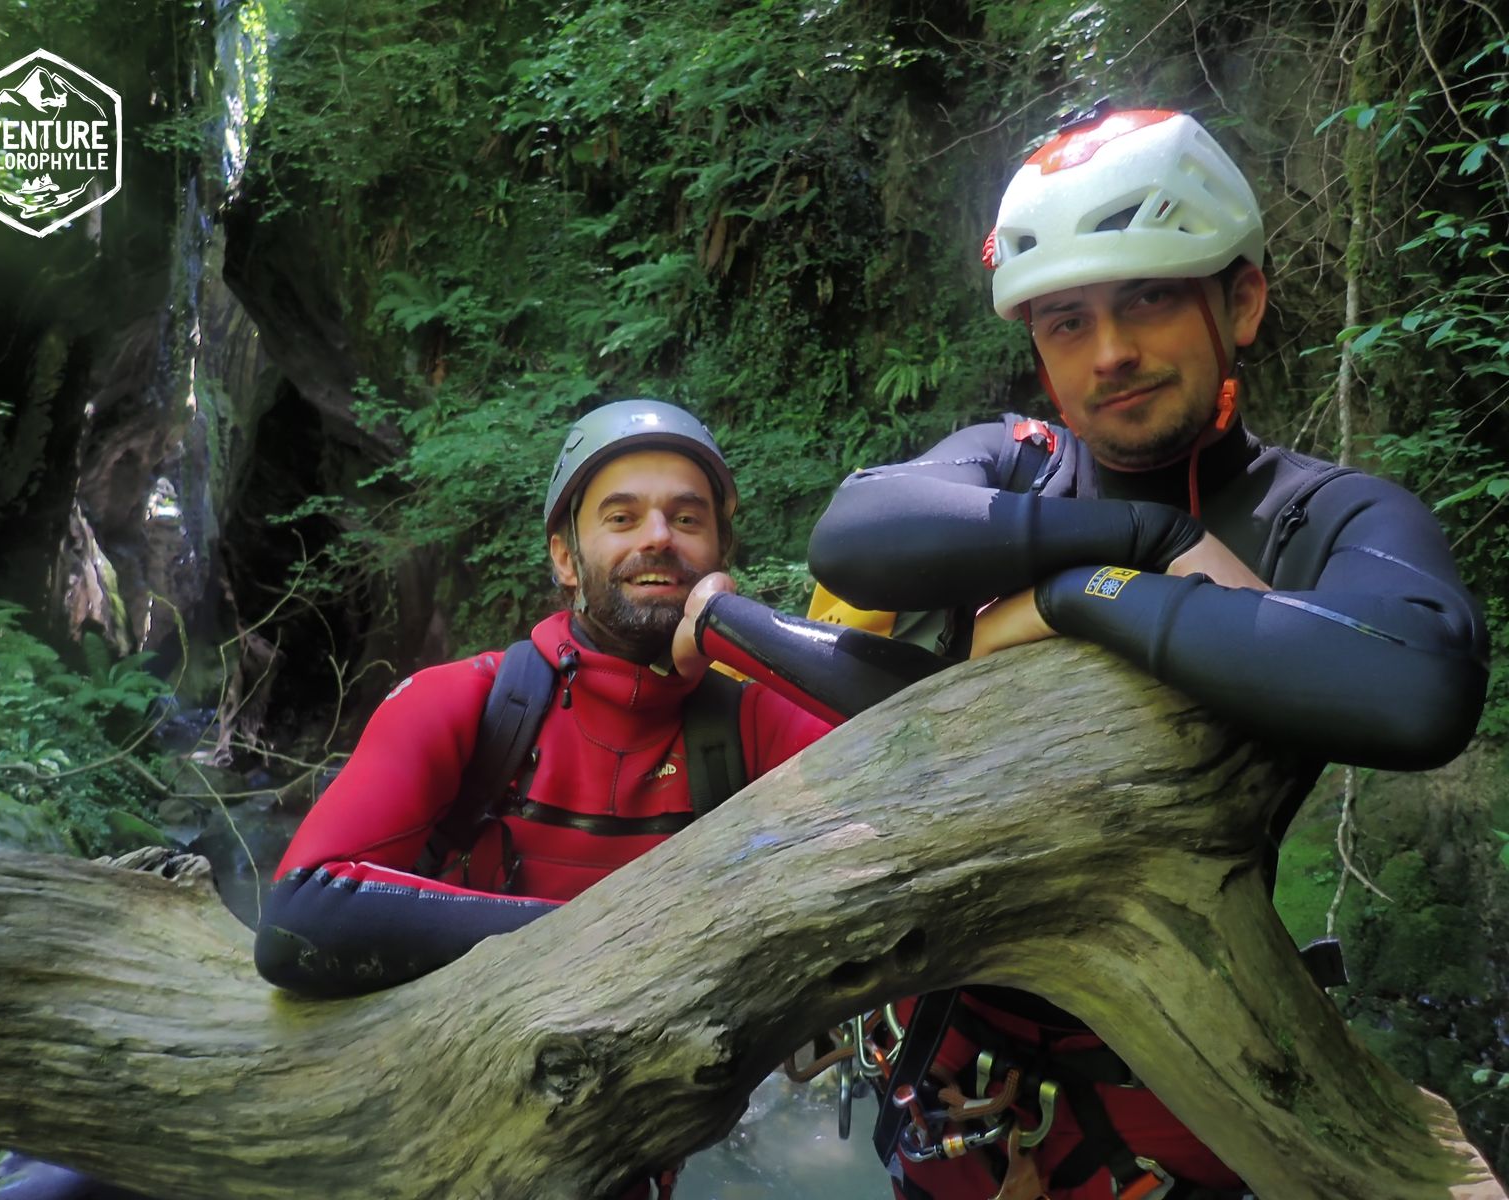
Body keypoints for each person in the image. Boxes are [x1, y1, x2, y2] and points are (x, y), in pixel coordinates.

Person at [787, 105, 1490, 1200]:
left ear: (1240, 300)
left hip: (1193, 1068)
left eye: (1149, 298)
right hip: (964, 1084)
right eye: (1065, 321)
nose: (1109, 353)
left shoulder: (1324, 517)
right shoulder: (1016, 467)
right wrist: (1140, 547)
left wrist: (1073, 596)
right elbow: (855, 535)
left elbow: (1417, 687)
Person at [252, 398, 834, 1194]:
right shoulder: (466, 703)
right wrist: (608, 941)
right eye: (622, 517)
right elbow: (298, 920)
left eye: (687, 519)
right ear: (566, 557)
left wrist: (738, 628)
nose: (658, 537)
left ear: (720, 553)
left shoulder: (749, 720)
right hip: (428, 1137)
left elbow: (921, 745)